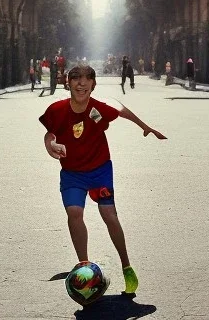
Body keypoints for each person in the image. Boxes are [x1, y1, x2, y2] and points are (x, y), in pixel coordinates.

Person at [39, 64, 166, 295]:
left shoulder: (100, 108)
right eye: (76, 80)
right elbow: (49, 133)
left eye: (86, 80)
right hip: (72, 173)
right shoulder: (56, 110)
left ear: (92, 85)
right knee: (74, 213)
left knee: (109, 214)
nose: (81, 84)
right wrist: (51, 146)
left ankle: (126, 266)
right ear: (68, 84)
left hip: (100, 171)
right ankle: (84, 269)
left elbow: (120, 108)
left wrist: (145, 127)